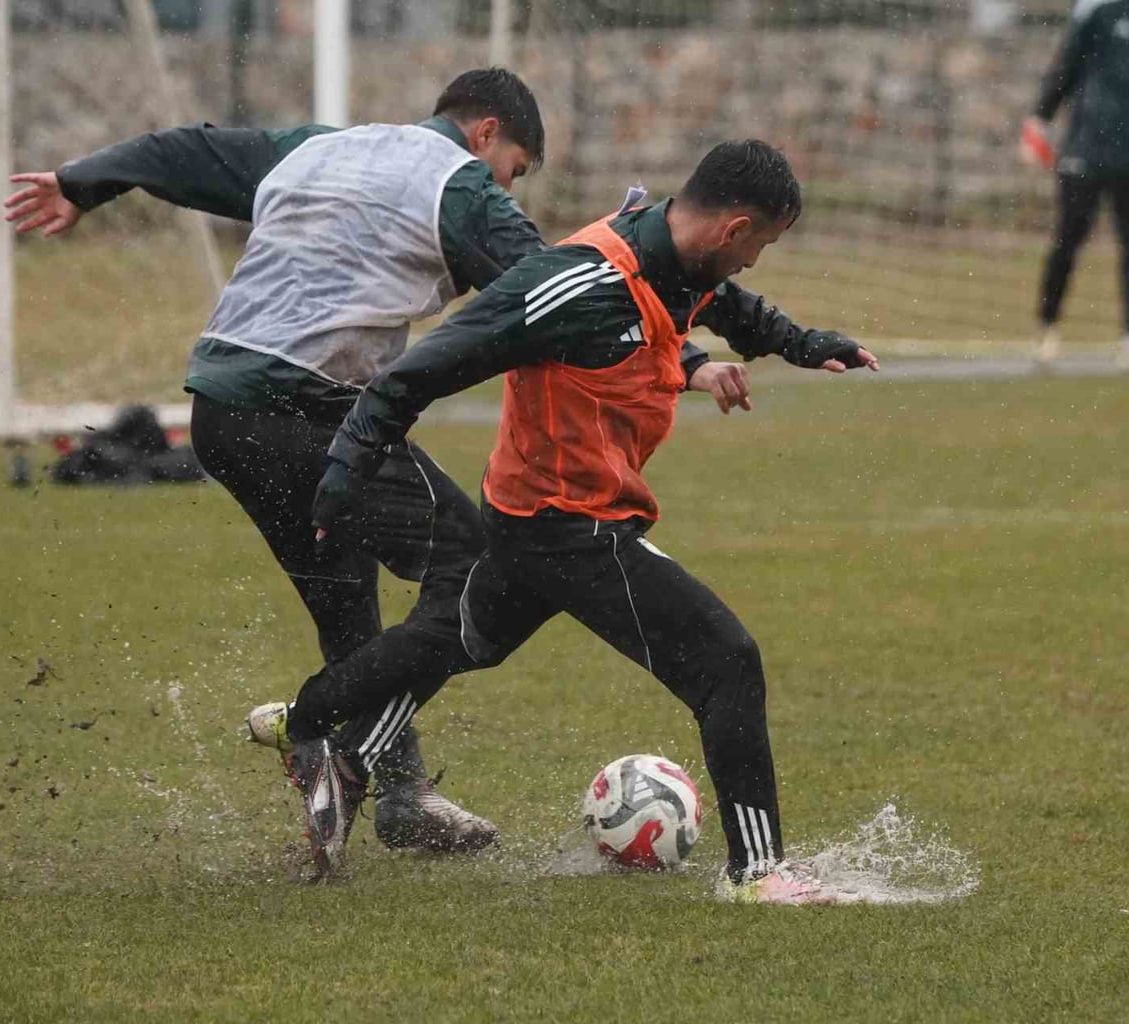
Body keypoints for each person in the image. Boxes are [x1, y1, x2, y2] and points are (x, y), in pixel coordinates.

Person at [262, 140, 880, 900]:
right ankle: (760, 873)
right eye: (761, 245)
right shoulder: (577, 282)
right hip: (569, 529)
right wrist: (348, 463)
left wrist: (802, 342)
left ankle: (316, 727)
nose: (755, 262)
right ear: (734, 228)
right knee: (726, 663)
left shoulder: (678, 261)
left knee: (453, 644)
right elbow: (429, 363)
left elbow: (728, 305)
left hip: (528, 520)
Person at [4, 68, 549, 855]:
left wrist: (83, 182)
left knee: (348, 608)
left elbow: (191, 151)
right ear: (486, 133)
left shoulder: (320, 149)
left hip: (222, 419)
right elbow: (555, 287)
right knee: (476, 569)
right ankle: (322, 737)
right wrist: (686, 355)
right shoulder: (459, 182)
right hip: (302, 411)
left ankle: (401, 800)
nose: (509, 191)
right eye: (516, 171)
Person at [1022, 0, 1129, 368]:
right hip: (1086, 147)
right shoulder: (1102, 15)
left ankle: (1127, 338)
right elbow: (1067, 66)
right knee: (1068, 240)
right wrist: (1040, 117)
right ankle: (1047, 328)